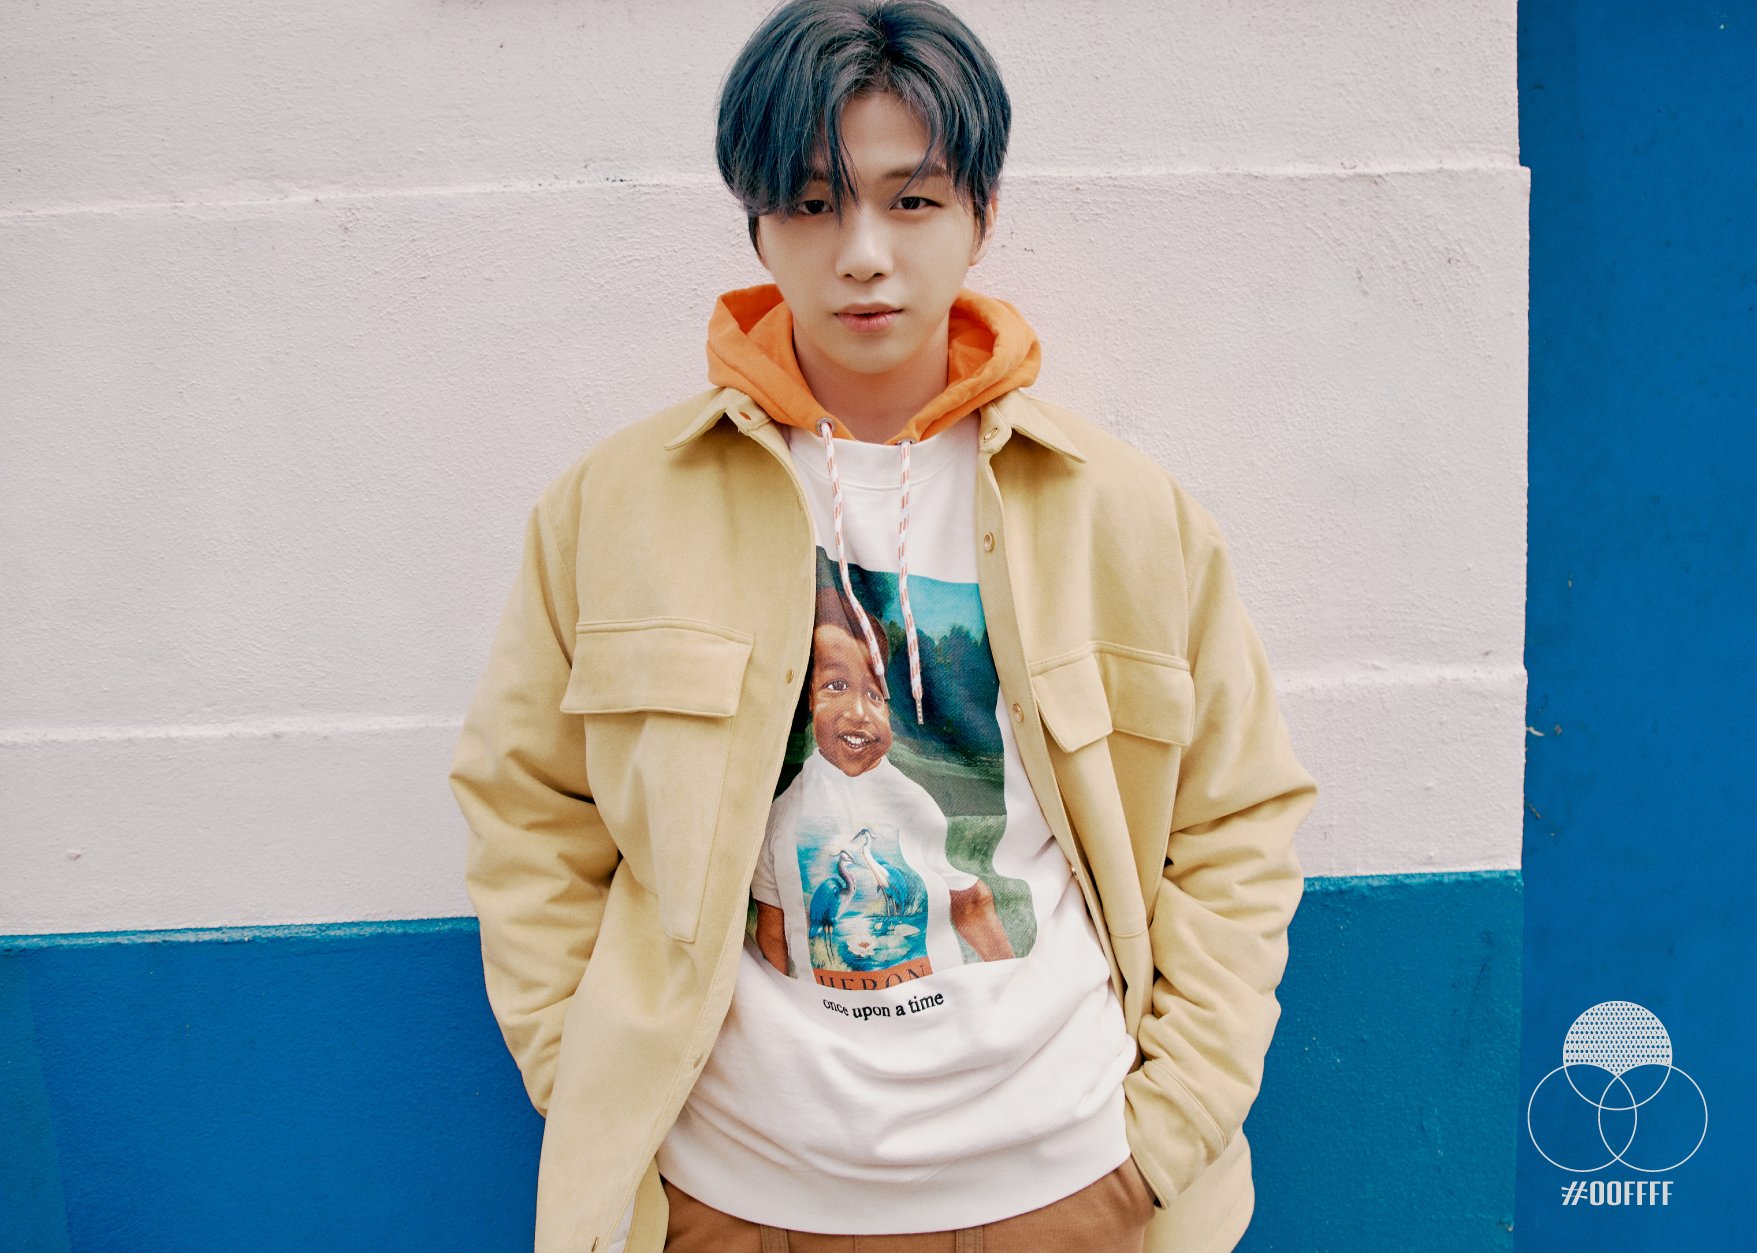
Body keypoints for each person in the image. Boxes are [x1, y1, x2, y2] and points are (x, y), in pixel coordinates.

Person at [449, 2, 1316, 1251]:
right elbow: (527, 811)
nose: (862, 254)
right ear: (756, 223)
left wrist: (1159, 1141)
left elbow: (1234, 821)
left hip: (1063, 1189)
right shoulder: (612, 509)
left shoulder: (1122, 514)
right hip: (729, 1198)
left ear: (981, 213)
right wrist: (590, 1086)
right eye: (812, 203)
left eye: (911, 200)